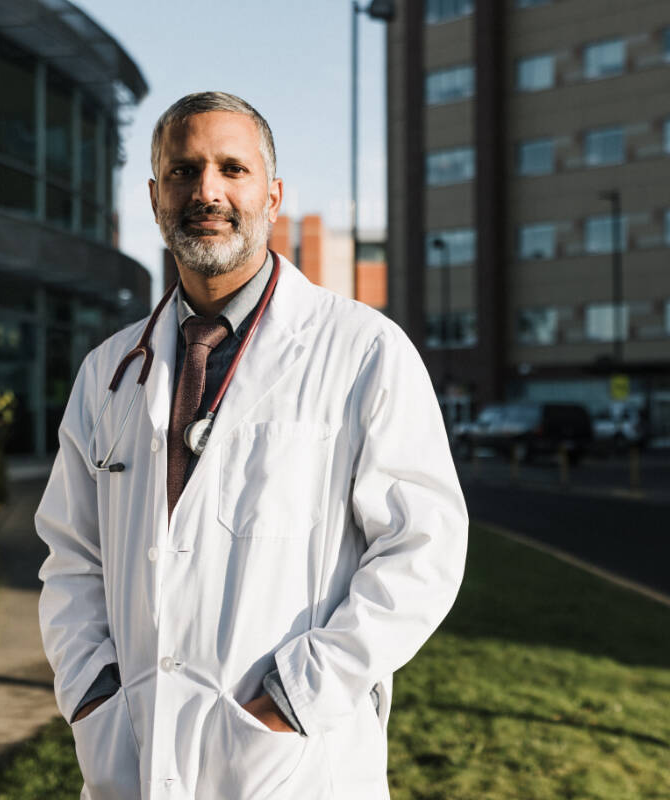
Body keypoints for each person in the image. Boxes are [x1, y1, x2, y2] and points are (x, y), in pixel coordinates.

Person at [35, 91, 468, 800]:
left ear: (272, 194)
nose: (206, 190)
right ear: (154, 196)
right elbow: (72, 556)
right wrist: (90, 693)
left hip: (296, 765)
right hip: (132, 757)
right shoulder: (109, 373)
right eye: (182, 171)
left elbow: (424, 551)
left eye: (231, 168)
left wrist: (296, 698)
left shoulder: (363, 352)